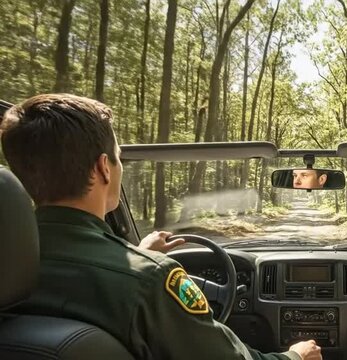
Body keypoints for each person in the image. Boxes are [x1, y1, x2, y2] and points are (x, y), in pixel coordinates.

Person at [0, 94, 322, 360]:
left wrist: (136, 256)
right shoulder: (152, 280)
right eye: (118, 157)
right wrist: (294, 356)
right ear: (104, 168)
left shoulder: (9, 269)